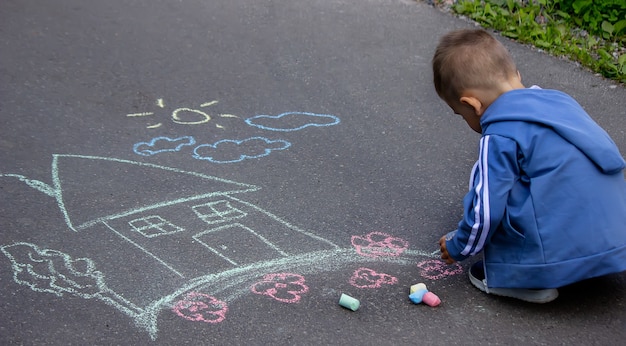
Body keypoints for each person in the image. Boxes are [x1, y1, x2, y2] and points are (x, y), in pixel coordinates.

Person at [432, 28, 626, 303]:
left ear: (472, 104)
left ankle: (528, 280)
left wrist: (459, 245)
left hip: (554, 258)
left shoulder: (499, 133)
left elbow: (487, 210)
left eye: (460, 114)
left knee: (494, 187)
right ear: (516, 76)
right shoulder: (562, 103)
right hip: (617, 239)